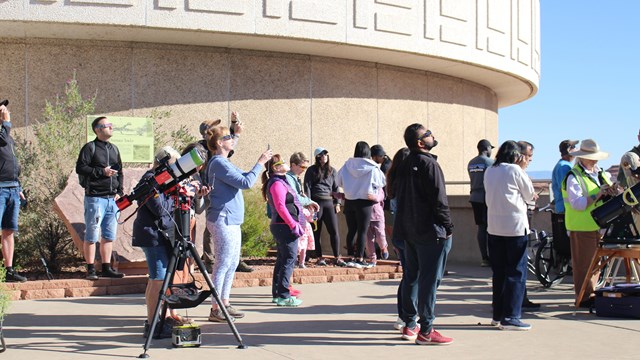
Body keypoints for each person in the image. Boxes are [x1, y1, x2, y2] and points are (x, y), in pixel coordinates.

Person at [205, 125, 272, 322]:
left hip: (232, 219)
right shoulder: (218, 163)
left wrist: (237, 133)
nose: (231, 140)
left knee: (232, 262)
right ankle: (216, 308)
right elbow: (246, 183)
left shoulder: (225, 162)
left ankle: (224, 303)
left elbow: (242, 176)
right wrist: (260, 162)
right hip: (222, 219)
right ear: (219, 142)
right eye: (228, 137)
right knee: (223, 263)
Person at [394, 125, 453, 345]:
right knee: (429, 280)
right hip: (430, 231)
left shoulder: (405, 164)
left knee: (412, 277)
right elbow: (440, 201)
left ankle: (410, 324)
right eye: (428, 134)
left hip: (409, 231)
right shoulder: (430, 164)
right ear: (420, 143)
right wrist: (448, 227)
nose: (432, 135)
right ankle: (426, 330)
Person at [132, 146, 183, 339]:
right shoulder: (149, 179)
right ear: (164, 163)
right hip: (152, 235)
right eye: (173, 164)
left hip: (163, 234)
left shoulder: (164, 180)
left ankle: (160, 318)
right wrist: (176, 196)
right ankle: (153, 323)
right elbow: (159, 208)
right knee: (158, 279)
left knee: (160, 278)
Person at [485, 140, 535, 331]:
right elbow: (529, 195)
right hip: (514, 227)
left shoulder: (490, 170)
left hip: (494, 227)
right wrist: (521, 169)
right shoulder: (515, 170)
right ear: (516, 156)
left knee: (499, 273)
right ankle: (512, 316)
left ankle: (498, 315)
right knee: (516, 272)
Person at [561, 139, 618, 308]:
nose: (594, 160)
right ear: (582, 158)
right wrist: (598, 195)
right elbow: (577, 204)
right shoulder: (573, 176)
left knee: (594, 266)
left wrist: (611, 191)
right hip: (581, 226)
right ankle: (584, 298)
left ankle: (590, 295)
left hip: (597, 226)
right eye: (591, 157)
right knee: (584, 265)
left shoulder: (600, 174)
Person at [75, 116, 124, 280]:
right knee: (92, 234)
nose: (111, 127)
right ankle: (90, 269)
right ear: (97, 129)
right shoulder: (90, 148)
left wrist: (120, 191)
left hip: (112, 199)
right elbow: (80, 168)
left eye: (111, 125)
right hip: (95, 198)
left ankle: (106, 267)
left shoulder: (114, 149)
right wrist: (101, 172)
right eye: (107, 125)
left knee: (109, 235)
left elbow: (120, 171)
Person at [262, 154, 305, 307]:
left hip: (283, 226)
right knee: (289, 259)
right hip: (284, 226)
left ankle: (278, 293)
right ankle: (283, 295)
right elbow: (280, 207)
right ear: (275, 168)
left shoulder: (280, 181)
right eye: (283, 162)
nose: (287, 163)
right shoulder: (276, 184)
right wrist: (293, 224)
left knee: (283, 259)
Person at [337, 141, 386, 268]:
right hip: (365, 202)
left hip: (349, 200)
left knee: (351, 230)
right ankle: (359, 257)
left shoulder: (347, 165)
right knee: (362, 231)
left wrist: (350, 187)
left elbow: (338, 181)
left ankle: (350, 256)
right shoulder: (373, 167)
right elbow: (382, 182)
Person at [0, 100, 27, 282]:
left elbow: (13, 163)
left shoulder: (8, 136)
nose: (5, 112)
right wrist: (6, 122)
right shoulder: (4, 133)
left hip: (12, 188)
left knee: (9, 231)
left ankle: (9, 270)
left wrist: (19, 187)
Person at [386, 147, 411, 331]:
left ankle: (403, 315)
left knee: (407, 277)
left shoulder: (393, 182)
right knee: (412, 277)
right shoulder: (408, 183)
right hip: (410, 234)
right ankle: (407, 316)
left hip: (399, 234)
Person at [303, 147, 342, 266]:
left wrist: (338, 202)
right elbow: (307, 187)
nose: (324, 156)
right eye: (322, 154)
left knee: (334, 231)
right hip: (316, 203)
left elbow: (336, 188)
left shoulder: (332, 171)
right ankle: (319, 257)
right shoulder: (311, 170)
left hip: (329, 203)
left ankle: (337, 257)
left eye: (326, 153)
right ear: (317, 157)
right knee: (316, 231)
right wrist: (309, 203)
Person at [467, 139, 495, 267]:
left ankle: (484, 257)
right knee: (491, 228)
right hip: (486, 197)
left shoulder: (471, 163)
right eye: (491, 149)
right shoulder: (490, 163)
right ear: (487, 148)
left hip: (474, 197)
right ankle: (492, 256)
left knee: (481, 228)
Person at [551, 140, 578, 258]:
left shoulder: (561, 165)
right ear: (569, 150)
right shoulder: (565, 167)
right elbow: (566, 188)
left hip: (561, 206)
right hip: (566, 208)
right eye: (574, 147)